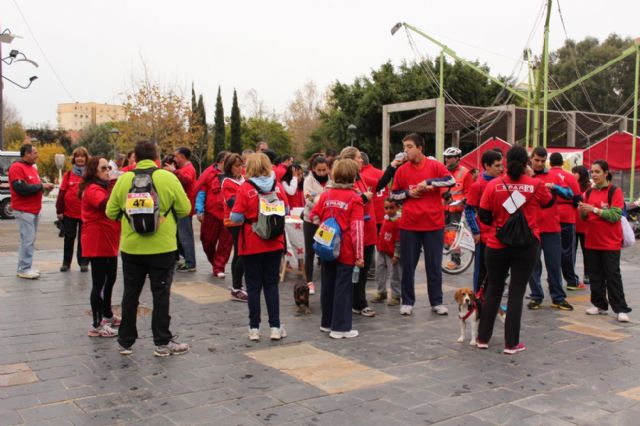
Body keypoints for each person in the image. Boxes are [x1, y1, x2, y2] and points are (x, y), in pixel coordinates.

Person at [106, 140, 192, 357]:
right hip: (162, 247)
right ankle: (162, 342)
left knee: (130, 293)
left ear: (135, 156)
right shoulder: (167, 177)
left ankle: (125, 342)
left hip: (131, 248)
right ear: (156, 157)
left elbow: (110, 212)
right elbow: (185, 209)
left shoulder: (124, 179)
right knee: (161, 294)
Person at [477, 145, 553, 354]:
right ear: (527, 163)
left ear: (506, 162)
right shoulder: (536, 184)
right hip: (527, 246)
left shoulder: (494, 185)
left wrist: (499, 221)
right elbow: (549, 202)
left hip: (496, 244)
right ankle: (511, 343)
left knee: (493, 289)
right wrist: (529, 177)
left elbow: (483, 215)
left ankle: (482, 338)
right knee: (516, 293)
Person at [391, 133, 455, 316]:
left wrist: (428, 183)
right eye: (404, 147)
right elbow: (394, 194)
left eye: (409, 146)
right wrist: (409, 194)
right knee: (408, 266)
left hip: (434, 224)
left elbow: (451, 181)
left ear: (420, 148)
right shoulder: (401, 170)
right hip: (409, 225)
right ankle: (407, 301)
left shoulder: (435, 165)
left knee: (434, 266)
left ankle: (437, 302)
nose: (406, 150)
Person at [230, 153, 288, 341]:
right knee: (271, 285)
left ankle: (254, 329)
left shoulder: (245, 188)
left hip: (251, 241)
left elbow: (236, 217)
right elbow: (286, 210)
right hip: (274, 241)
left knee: (253, 286)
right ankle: (275, 327)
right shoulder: (277, 187)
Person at [310, 158, 364, 339]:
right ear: (353, 176)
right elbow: (357, 228)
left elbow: (313, 215)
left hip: (327, 246)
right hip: (346, 248)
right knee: (343, 288)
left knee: (328, 285)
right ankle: (340, 328)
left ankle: (326, 323)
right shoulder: (355, 198)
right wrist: (360, 254)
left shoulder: (326, 195)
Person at [578, 160, 631, 322]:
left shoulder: (615, 192)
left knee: (613, 275)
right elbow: (584, 217)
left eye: (597, 171)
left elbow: (615, 216)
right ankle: (599, 304)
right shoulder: (588, 192)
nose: (593, 174)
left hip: (610, 242)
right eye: (592, 171)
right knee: (595, 275)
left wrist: (594, 209)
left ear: (606, 173)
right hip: (592, 241)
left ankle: (621, 309)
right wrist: (582, 210)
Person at [527, 147, 574, 311]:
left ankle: (558, 297)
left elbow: (570, 194)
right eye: (536, 160)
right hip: (531, 228)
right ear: (531, 159)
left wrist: (555, 187)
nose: (539, 163)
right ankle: (536, 296)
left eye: (542, 160)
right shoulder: (525, 176)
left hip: (552, 228)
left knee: (554, 264)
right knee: (533, 265)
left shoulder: (554, 175)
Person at [79, 157, 121, 337]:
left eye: (109, 167)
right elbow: (106, 205)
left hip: (108, 240)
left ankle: (108, 315)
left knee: (109, 280)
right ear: (94, 171)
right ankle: (96, 325)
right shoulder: (92, 189)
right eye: (104, 168)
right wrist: (113, 184)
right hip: (98, 241)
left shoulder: (100, 187)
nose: (108, 171)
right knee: (99, 283)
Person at [339, 147, 377, 317]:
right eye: (358, 158)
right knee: (358, 269)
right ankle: (359, 303)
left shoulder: (359, 177)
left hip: (368, 230)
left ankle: (357, 301)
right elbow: (349, 202)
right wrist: (364, 198)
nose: (362, 160)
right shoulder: (346, 181)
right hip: (357, 232)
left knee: (363, 269)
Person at [8, 144, 55, 279]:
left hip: (33, 210)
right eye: (34, 153)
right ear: (27, 154)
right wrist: (41, 186)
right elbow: (21, 188)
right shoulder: (17, 167)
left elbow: (34, 186)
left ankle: (26, 266)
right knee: (27, 240)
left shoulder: (32, 168)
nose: (37, 155)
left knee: (29, 240)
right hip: (24, 210)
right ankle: (24, 268)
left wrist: (44, 188)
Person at [464, 149, 503, 293]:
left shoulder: (503, 182)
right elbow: (469, 210)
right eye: (497, 166)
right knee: (482, 269)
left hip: (501, 234)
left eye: (501, 165)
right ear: (487, 166)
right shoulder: (477, 186)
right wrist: (475, 231)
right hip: (484, 235)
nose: (501, 169)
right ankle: (479, 300)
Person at [548, 153, 585, 291]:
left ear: (550, 163)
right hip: (567, 215)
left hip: (550, 215)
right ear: (562, 163)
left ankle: (553, 280)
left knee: (550, 250)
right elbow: (577, 199)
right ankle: (571, 281)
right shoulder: (570, 177)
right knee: (567, 250)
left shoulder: (547, 176)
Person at [194, 151, 233, 278]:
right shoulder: (209, 173)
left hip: (228, 215)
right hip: (211, 214)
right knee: (207, 241)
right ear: (221, 162)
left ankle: (219, 267)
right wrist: (199, 210)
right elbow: (201, 191)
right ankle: (215, 262)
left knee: (226, 243)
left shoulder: (234, 174)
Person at [56, 147, 90, 272]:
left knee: (84, 239)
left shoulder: (90, 175)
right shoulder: (68, 174)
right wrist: (59, 210)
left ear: (86, 158)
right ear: (74, 159)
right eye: (77, 156)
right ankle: (66, 263)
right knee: (69, 238)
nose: (80, 158)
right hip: (69, 213)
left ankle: (83, 263)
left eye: (82, 156)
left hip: (85, 213)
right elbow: (62, 192)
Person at [163, 147, 197, 272]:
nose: (174, 159)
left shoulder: (188, 169)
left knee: (185, 235)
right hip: (180, 206)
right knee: (180, 235)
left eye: (176, 156)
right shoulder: (183, 169)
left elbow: (186, 180)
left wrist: (174, 171)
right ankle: (185, 258)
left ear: (182, 157)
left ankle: (190, 262)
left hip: (184, 207)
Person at [302, 154, 330, 295]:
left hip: (326, 222)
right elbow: (308, 200)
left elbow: (332, 198)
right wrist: (323, 200)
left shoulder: (331, 180)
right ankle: (309, 282)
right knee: (310, 252)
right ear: (313, 169)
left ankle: (326, 279)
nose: (321, 173)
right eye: (319, 170)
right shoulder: (308, 180)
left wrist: (317, 198)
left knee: (325, 251)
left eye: (324, 170)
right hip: (310, 221)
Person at [221, 153, 248, 302]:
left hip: (243, 220)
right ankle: (236, 287)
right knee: (241, 252)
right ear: (230, 167)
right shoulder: (227, 182)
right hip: (233, 221)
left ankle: (237, 286)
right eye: (237, 166)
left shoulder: (243, 178)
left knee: (239, 253)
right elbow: (232, 203)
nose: (240, 168)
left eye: (241, 165)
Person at [442, 147, 473, 270]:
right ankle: (452, 252)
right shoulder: (442, 171)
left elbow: (469, 192)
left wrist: (463, 200)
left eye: (449, 157)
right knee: (445, 235)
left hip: (457, 209)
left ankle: (455, 260)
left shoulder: (465, 173)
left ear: (457, 158)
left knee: (452, 234)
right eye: (446, 157)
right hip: (443, 207)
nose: (447, 159)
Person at [370, 198, 402, 305]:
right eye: (386, 208)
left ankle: (396, 296)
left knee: (394, 275)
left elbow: (398, 240)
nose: (388, 210)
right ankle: (381, 292)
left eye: (392, 208)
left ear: (398, 207)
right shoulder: (386, 219)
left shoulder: (398, 222)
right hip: (381, 251)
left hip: (392, 254)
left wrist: (396, 255)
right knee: (379, 273)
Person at [572, 165, 591, 285]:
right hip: (573, 223)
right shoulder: (572, 185)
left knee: (587, 251)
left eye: (576, 173)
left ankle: (587, 274)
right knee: (571, 251)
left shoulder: (589, 188)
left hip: (585, 224)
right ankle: (571, 275)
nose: (573, 175)